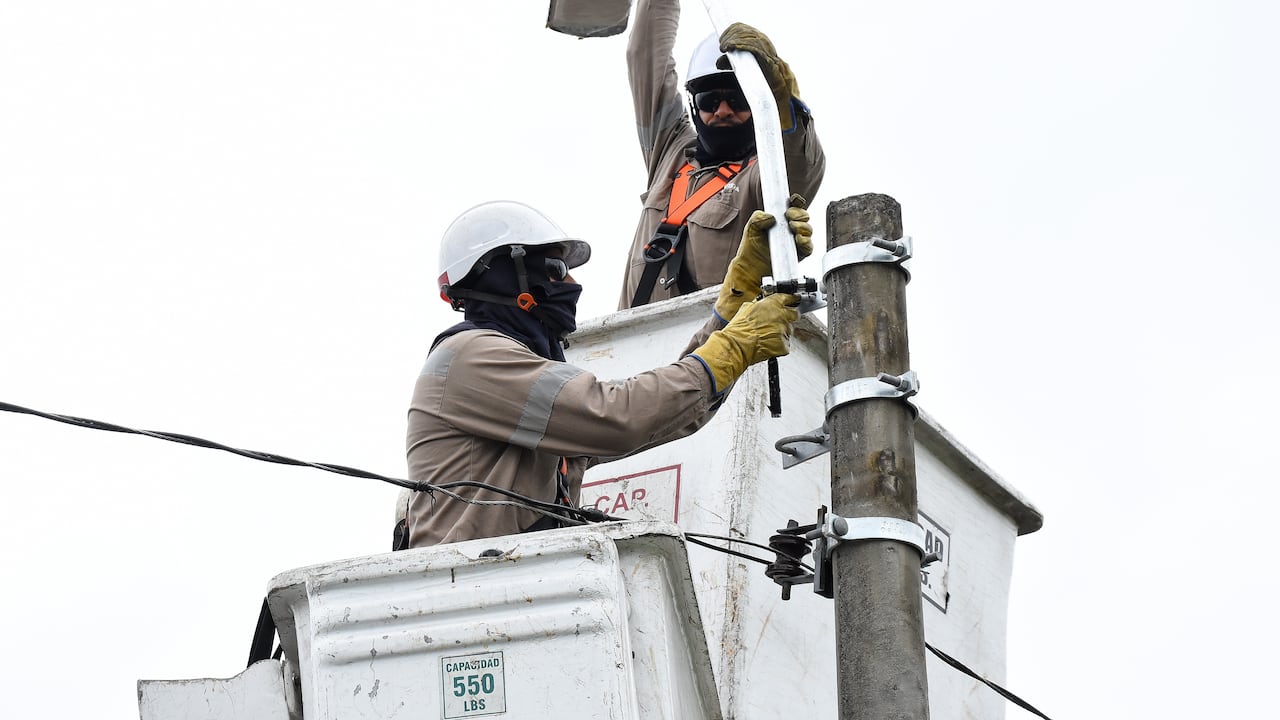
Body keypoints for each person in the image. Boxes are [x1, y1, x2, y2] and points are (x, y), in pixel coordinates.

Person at [402, 199, 810, 547]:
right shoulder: (472, 357)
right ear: (504, 274)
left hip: (507, 598)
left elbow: (656, 418)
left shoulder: (514, 389)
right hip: (470, 603)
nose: (572, 284)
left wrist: (733, 308)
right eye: (557, 271)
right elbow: (619, 416)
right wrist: (733, 347)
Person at [619, 0, 826, 309]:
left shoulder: (764, 173)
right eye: (709, 100)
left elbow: (798, 165)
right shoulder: (671, 152)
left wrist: (784, 102)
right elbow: (646, 58)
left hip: (719, 348)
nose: (723, 111)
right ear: (694, 106)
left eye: (737, 99)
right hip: (637, 344)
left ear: (758, 105)